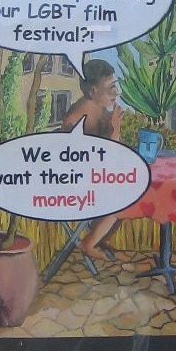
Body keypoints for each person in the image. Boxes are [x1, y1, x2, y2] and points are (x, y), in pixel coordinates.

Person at [61, 59, 123, 259]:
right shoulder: (79, 117)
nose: (116, 92)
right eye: (111, 87)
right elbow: (101, 158)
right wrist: (115, 131)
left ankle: (102, 238)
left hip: (91, 178)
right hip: (72, 186)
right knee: (126, 194)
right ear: (94, 91)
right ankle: (89, 243)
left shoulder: (99, 111)